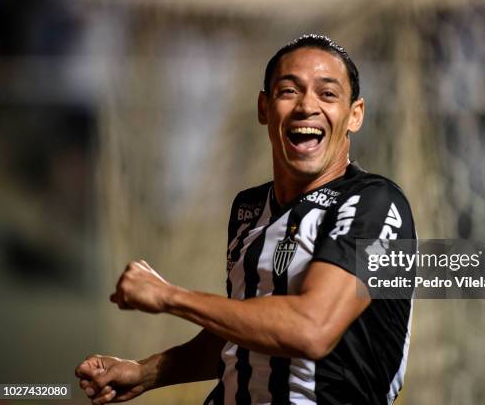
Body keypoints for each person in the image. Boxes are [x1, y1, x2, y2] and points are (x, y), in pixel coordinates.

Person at [75, 34, 416, 405]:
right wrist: (147, 371)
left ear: (355, 115)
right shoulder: (248, 207)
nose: (307, 106)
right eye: (289, 91)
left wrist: (169, 296)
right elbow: (245, 332)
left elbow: (311, 329)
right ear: (264, 108)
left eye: (328, 94)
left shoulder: (377, 203)